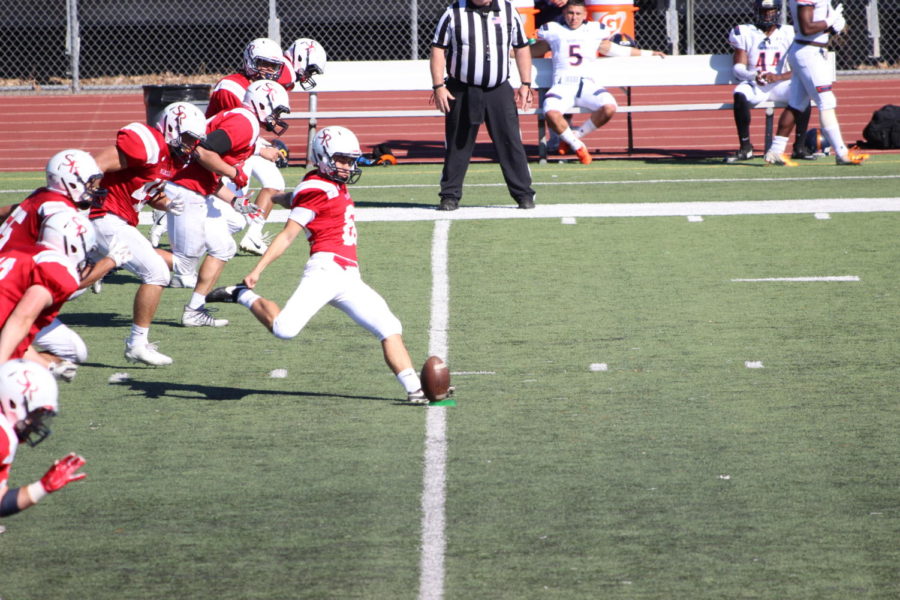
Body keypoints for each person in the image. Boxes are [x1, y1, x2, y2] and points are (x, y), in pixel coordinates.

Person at [206, 126, 431, 404]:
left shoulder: (321, 182)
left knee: (389, 326)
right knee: (284, 329)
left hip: (349, 275)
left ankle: (415, 389)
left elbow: (300, 198)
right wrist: (257, 270)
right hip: (325, 271)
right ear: (323, 156)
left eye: (350, 160)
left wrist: (276, 197)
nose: (347, 166)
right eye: (342, 159)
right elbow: (288, 235)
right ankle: (242, 294)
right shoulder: (316, 187)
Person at [165, 79, 291, 328]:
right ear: (262, 104)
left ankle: (194, 310)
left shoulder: (244, 121)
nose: (277, 117)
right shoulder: (244, 123)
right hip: (184, 187)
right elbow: (202, 152)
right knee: (184, 263)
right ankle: (116, 256)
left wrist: (235, 199)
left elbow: (206, 169)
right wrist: (235, 174)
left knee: (223, 248)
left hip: (197, 187)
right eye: (275, 110)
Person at [90, 102, 207, 366]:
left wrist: (165, 203)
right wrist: (84, 203)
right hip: (104, 216)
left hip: (116, 219)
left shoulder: (171, 159)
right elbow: (96, 164)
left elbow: (146, 191)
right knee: (157, 272)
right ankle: (137, 344)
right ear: (172, 127)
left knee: (68, 286)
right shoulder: (149, 143)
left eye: (195, 141)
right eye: (188, 138)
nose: (191, 146)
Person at [0, 150, 129, 379]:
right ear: (69, 181)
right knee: (68, 349)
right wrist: (111, 261)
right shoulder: (58, 213)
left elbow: (13, 211)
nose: (94, 188)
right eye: (90, 183)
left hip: (9, 268)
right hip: (16, 287)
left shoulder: (44, 196)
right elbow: (70, 281)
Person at [430, 0, 537, 211]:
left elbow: (521, 46)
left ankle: (524, 194)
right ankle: (450, 195)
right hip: (462, 88)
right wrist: (438, 86)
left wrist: (526, 83)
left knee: (510, 142)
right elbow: (438, 49)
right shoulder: (453, 13)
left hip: (498, 88)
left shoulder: (508, 10)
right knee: (458, 143)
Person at [530, 0, 665, 164]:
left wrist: (648, 53)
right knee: (550, 112)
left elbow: (615, 49)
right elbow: (533, 50)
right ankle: (578, 147)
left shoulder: (594, 30)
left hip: (587, 84)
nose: (574, 17)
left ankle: (572, 137)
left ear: (585, 15)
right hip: (562, 84)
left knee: (609, 107)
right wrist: (507, 54)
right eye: (570, 13)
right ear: (564, 14)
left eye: (578, 13)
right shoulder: (554, 30)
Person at [0, 210, 125, 365]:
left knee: (73, 351)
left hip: (7, 320)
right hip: (9, 323)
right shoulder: (56, 269)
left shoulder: (20, 251)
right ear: (72, 246)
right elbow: (21, 320)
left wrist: (47, 366)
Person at [764, 0, 868, 166]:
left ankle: (775, 151)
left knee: (796, 104)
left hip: (810, 49)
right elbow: (807, 28)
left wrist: (832, 28)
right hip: (809, 52)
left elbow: (816, 26)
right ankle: (842, 153)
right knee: (826, 101)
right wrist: (830, 20)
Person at [725, 0, 813, 163]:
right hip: (757, 83)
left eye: (771, 10)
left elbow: (801, 67)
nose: (767, 15)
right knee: (739, 94)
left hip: (780, 83)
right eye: (763, 11)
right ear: (756, 11)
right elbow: (737, 68)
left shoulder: (789, 32)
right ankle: (745, 148)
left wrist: (778, 77)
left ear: (778, 11)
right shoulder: (744, 31)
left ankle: (799, 147)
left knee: (803, 92)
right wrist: (754, 76)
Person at [0, 359, 86, 519]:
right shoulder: (3, 438)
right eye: (36, 413)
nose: (36, 422)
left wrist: (43, 486)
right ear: (12, 403)